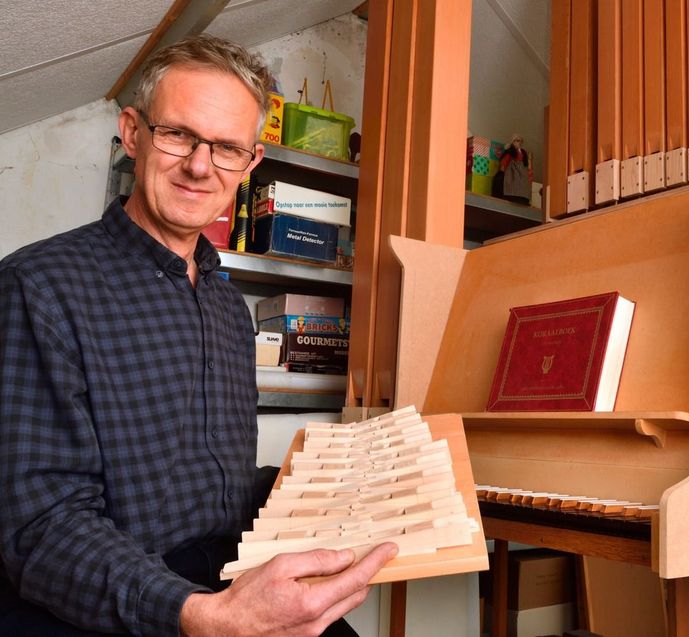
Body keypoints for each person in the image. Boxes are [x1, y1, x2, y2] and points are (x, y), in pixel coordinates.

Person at [0, 34, 395, 637]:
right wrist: (201, 616)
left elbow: (211, 490)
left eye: (228, 147)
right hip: (117, 605)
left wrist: (325, 489)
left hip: (224, 575)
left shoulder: (228, 306)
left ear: (251, 162)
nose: (201, 166)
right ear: (133, 132)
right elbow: (38, 526)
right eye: (179, 134)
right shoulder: (39, 287)